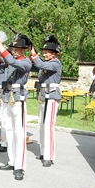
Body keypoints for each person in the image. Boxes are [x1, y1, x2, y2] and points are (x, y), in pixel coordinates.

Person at [0, 33, 33, 181]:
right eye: (13, 48)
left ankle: (20, 166)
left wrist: (0, 45)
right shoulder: (11, 61)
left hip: (18, 98)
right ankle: (12, 161)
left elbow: (10, 60)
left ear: (24, 50)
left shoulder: (26, 62)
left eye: (17, 48)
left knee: (19, 133)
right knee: (8, 131)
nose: (13, 51)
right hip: (7, 96)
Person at [30, 35, 62, 168]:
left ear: (54, 54)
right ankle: (43, 152)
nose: (45, 54)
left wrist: (34, 54)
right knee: (42, 126)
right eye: (44, 52)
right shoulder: (46, 64)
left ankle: (49, 156)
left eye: (48, 52)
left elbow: (40, 64)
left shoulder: (55, 63)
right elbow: (35, 66)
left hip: (52, 96)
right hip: (43, 96)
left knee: (48, 127)